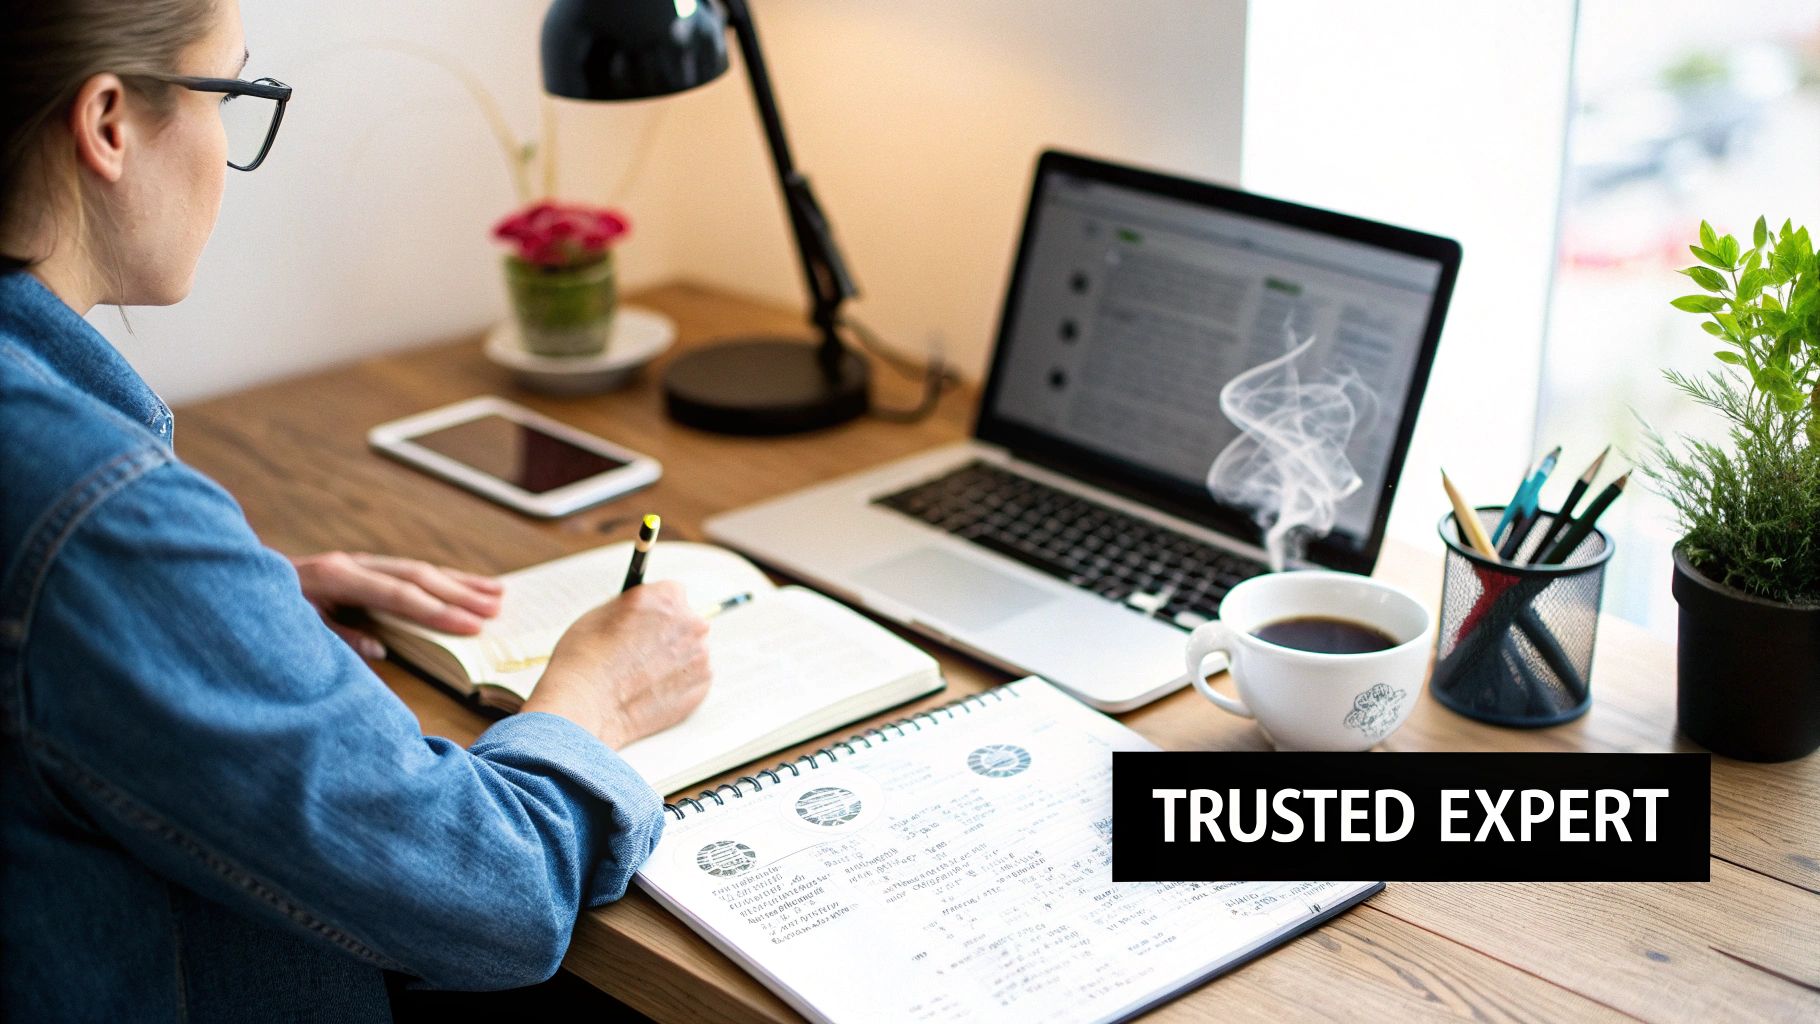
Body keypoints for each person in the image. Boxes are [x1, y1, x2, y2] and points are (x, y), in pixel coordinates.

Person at [0, 2, 714, 1020]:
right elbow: (497, 897)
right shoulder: (92, 522)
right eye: (231, 94)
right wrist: (597, 693)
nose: (227, 150)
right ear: (108, 123)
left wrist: (221, 608)